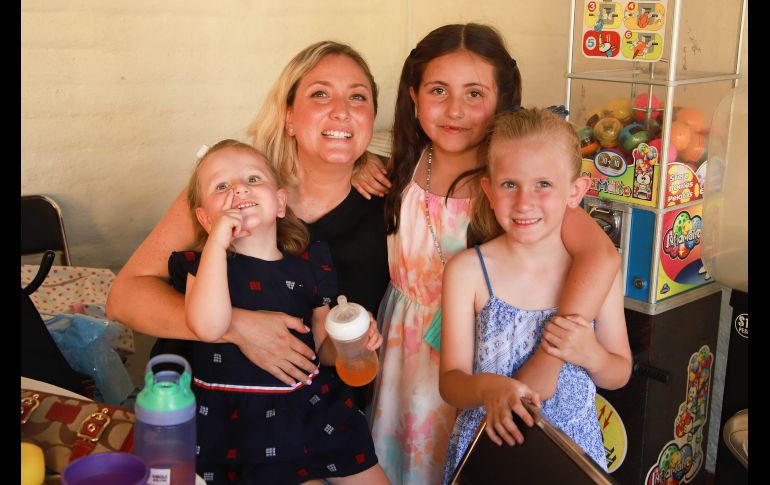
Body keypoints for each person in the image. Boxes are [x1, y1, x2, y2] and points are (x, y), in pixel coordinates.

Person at [367, 23, 621, 485]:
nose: (455, 110)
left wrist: (548, 359)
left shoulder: (517, 183)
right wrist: (359, 163)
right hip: (407, 353)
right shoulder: (402, 163)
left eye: (474, 94)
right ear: (413, 96)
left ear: (502, 100)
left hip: (486, 359)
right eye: (438, 91)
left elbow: (601, 256)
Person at [106, 41, 389, 389]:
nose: (342, 111)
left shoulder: (392, 198)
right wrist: (235, 327)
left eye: (358, 97)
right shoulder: (228, 189)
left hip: (312, 423)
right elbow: (124, 298)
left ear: (372, 117)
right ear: (288, 118)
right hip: (199, 406)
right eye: (320, 94)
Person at [173, 139, 388, 484]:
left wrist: (351, 341)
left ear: (280, 202)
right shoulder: (204, 267)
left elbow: (324, 350)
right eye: (222, 186)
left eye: (253, 180)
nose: (239, 188)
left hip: (316, 411)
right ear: (203, 217)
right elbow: (208, 326)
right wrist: (216, 242)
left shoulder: (311, 267)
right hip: (246, 428)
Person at [439, 108, 633, 482]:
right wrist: (488, 387)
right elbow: (450, 381)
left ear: (575, 191)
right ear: (488, 191)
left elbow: (619, 372)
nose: (524, 202)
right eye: (510, 184)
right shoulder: (467, 272)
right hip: (488, 450)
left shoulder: (597, 276)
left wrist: (591, 354)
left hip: (574, 452)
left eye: (543, 184)